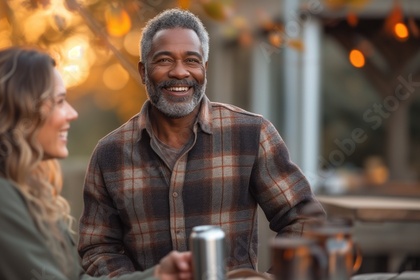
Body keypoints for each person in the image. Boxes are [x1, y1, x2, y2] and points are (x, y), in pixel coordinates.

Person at [77, 8, 326, 277]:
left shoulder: (251, 134)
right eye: (164, 60)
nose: (180, 72)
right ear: (143, 71)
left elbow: (305, 220)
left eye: (191, 61)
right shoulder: (110, 154)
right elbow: (97, 248)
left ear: (204, 69)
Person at [0, 47, 193, 280]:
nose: (71, 113)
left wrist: (158, 275)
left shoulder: (16, 188)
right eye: (60, 101)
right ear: (21, 111)